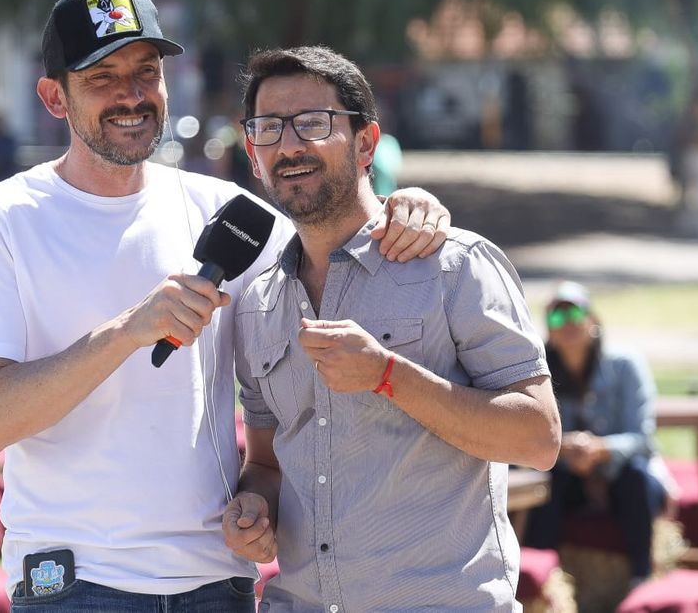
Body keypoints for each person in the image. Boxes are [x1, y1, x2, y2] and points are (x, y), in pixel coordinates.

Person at [0, 0, 453, 609]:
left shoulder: (229, 213)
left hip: (217, 581)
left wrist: (408, 207)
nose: (131, 95)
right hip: (75, 580)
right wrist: (127, 331)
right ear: (54, 97)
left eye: (146, 72)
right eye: (102, 77)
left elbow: (334, 252)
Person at [223, 46, 560, 612]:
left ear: (366, 144)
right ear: (252, 154)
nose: (289, 145)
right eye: (268, 129)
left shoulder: (455, 267)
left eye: (312, 123)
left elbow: (538, 438)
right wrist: (253, 508)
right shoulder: (257, 304)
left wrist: (386, 375)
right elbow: (265, 464)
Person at [523, 281, 668, 589]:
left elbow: (643, 438)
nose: (567, 324)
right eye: (556, 318)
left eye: (574, 313)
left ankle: (641, 578)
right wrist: (566, 451)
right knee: (544, 483)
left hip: (621, 476)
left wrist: (599, 449)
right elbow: (526, 435)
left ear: (593, 320)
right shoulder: (537, 372)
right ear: (547, 330)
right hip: (566, 476)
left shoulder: (626, 365)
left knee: (636, 477)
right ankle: (542, 586)